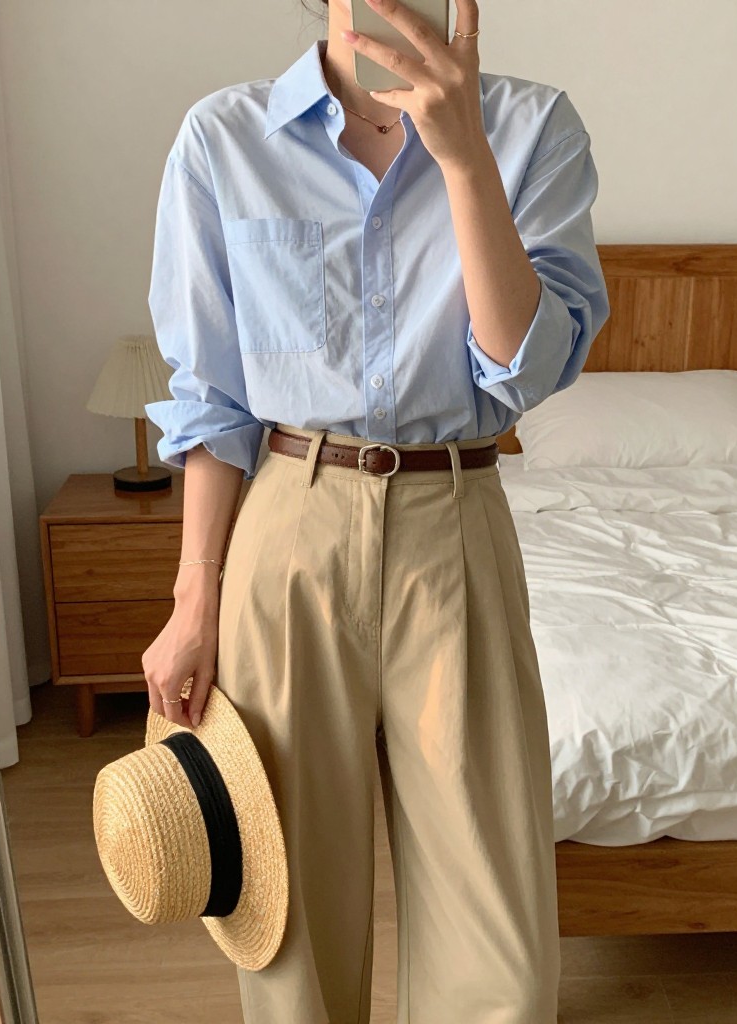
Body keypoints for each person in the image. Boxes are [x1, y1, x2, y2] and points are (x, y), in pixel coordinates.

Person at [142, 0, 610, 1021]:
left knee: (503, 942)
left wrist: (465, 159)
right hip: (289, 524)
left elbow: (525, 368)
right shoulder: (226, 138)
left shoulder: (535, 130)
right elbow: (212, 399)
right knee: (287, 911)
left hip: (457, 513)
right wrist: (191, 601)